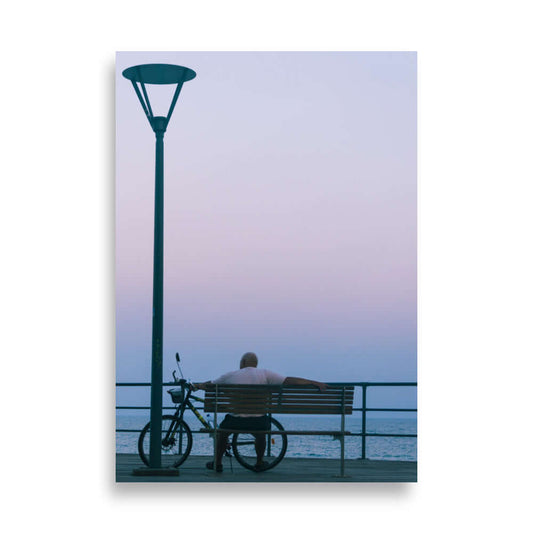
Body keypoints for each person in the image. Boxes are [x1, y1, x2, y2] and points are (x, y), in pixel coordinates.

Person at [193, 352, 327, 473]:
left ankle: (218, 463)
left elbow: (209, 385)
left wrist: (197, 385)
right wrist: (313, 382)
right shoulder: (265, 374)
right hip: (258, 422)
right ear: (255, 364)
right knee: (261, 433)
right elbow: (289, 380)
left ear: (243, 363)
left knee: (222, 433)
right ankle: (259, 462)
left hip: (235, 421)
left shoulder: (231, 375)